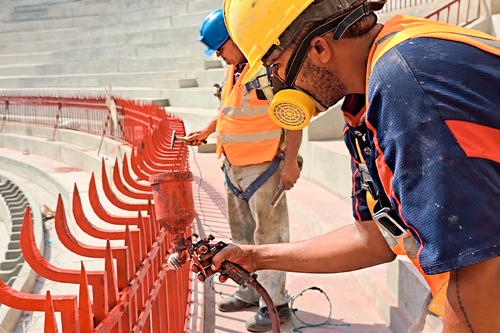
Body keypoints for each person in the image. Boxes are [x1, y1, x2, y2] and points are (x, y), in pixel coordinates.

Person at [193, 1, 500, 332]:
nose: (276, 81)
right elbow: (372, 239)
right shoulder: (365, 102)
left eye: (275, 66)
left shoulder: (405, 83)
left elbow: (480, 270)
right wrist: (255, 257)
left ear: (320, 48)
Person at [184, 9, 303, 332]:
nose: (220, 57)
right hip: (234, 166)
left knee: (270, 238)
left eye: (221, 49)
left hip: (264, 166)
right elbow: (230, 109)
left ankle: (276, 303)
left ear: (236, 39)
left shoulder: (266, 68)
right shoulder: (235, 69)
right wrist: (209, 130)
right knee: (241, 236)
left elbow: (292, 116)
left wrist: (290, 162)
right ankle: (249, 290)